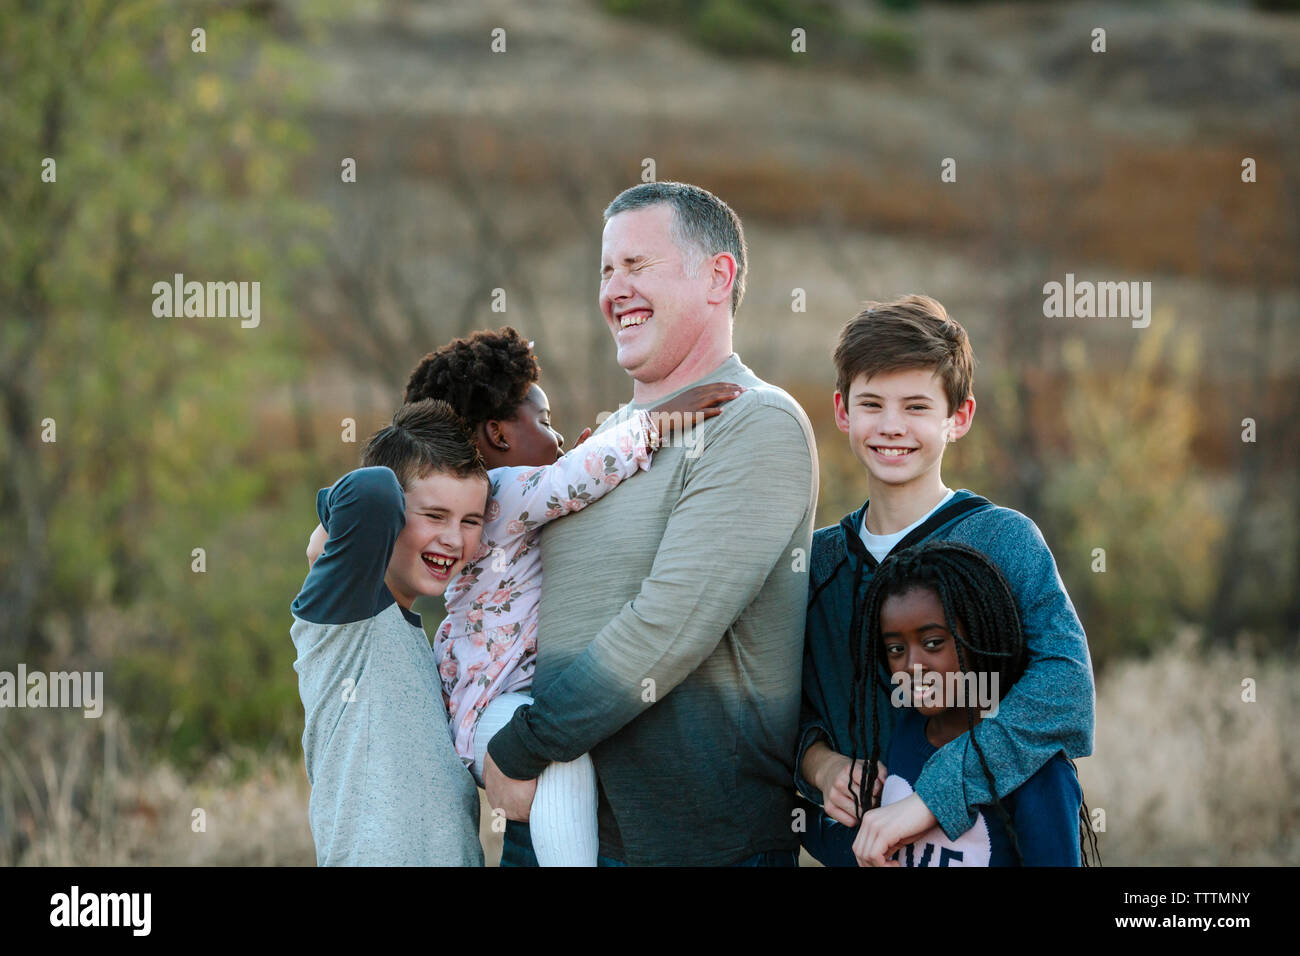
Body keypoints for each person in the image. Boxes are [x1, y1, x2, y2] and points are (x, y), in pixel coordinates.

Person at [483, 182, 819, 866]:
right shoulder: (601, 443)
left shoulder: (757, 422)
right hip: (555, 819)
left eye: (637, 266)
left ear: (717, 277)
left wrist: (523, 745)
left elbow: (666, 624)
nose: (614, 291)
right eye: (607, 271)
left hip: (688, 841)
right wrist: (349, 529)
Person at [402, 326, 742, 865]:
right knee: (563, 758)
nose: (558, 436)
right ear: (498, 434)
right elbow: (567, 481)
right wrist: (658, 420)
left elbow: (565, 490)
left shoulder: (501, 499)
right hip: (494, 706)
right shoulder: (503, 493)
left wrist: (578, 468)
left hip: (496, 700)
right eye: (544, 420)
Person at [797, 293, 1096, 867]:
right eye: (871, 404)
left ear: (958, 418)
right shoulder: (816, 564)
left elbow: (1066, 691)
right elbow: (782, 711)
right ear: (841, 411)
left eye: (915, 406)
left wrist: (931, 798)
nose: (891, 427)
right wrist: (822, 765)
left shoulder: (1002, 541)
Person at [289, 399, 489, 866]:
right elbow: (372, 492)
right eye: (434, 516)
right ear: (395, 516)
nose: (454, 539)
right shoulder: (348, 615)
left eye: (471, 521)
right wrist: (327, 535)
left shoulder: (421, 641)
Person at [848, 540, 1094, 866]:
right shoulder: (906, 731)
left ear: (977, 636)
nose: (912, 664)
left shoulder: (1039, 771)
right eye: (896, 649)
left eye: (933, 642)